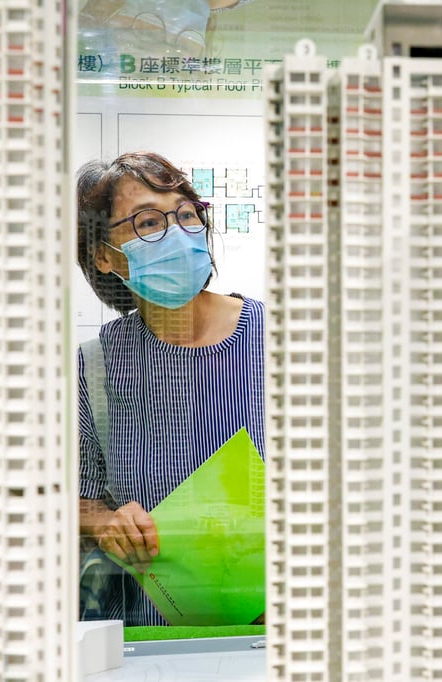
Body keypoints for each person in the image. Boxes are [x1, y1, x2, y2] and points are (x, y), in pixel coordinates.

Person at [76, 151, 265, 626]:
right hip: (156, 638)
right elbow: (75, 498)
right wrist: (105, 523)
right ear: (103, 255)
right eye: (147, 222)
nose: (177, 233)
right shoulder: (97, 365)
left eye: (186, 215)